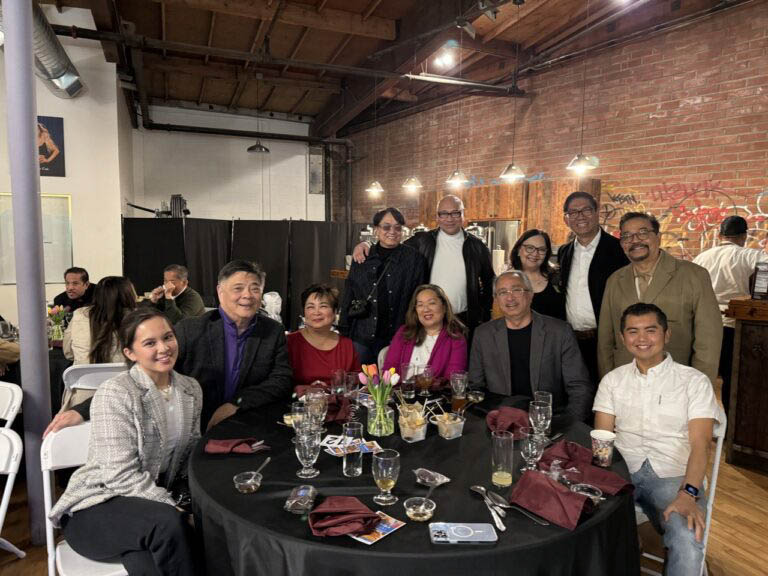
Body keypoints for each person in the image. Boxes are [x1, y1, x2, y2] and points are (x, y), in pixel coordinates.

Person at [47, 259, 293, 435]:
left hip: (251, 426)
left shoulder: (272, 331)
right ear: (220, 291)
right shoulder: (192, 329)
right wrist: (82, 410)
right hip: (195, 429)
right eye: (238, 288)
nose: (247, 295)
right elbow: (144, 375)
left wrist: (237, 404)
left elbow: (281, 380)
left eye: (255, 289)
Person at [49, 308, 201, 575]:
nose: (164, 348)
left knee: (154, 553)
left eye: (168, 337)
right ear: (130, 353)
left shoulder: (190, 389)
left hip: (148, 515)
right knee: (169, 525)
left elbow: (188, 457)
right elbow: (119, 476)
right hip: (97, 506)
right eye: (150, 343)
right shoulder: (116, 392)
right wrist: (174, 508)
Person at [593, 303, 720, 576]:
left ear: (666, 334)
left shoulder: (694, 381)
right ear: (623, 338)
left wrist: (689, 493)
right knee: (581, 520)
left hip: (674, 476)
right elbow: (603, 442)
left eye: (650, 330)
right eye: (633, 331)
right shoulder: (612, 381)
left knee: (687, 537)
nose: (642, 339)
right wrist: (599, 485)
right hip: (622, 473)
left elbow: (701, 445)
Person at [597, 212, 722, 384]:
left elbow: (708, 340)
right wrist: (608, 382)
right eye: (627, 236)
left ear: (658, 237)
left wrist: (700, 385)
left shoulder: (693, 275)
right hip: (626, 382)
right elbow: (605, 340)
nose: (635, 240)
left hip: (676, 382)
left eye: (642, 233)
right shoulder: (614, 280)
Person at [353, 195, 495, 340]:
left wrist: (484, 314)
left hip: (463, 320)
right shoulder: (422, 240)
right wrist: (367, 244)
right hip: (428, 320)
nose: (449, 218)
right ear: (437, 216)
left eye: (455, 213)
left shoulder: (477, 246)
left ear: (463, 214)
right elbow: (392, 246)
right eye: (444, 213)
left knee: (461, 355)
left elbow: (488, 281)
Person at [469, 270, 592, 423]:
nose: (510, 297)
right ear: (496, 299)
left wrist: (569, 425)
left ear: (530, 294)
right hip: (500, 420)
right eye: (502, 292)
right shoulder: (483, 334)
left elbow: (579, 386)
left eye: (516, 290)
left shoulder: (560, 332)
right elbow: (475, 387)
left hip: (549, 421)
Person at [693, 215, 768, 415]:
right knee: (731, 378)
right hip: (732, 326)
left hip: (703, 325)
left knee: (702, 376)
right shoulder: (750, 255)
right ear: (744, 236)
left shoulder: (702, 257)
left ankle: (700, 419)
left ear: (720, 235)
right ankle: (728, 423)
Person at [557, 192, 629, 385]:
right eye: (573, 212)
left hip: (605, 340)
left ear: (597, 212)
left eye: (586, 210)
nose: (580, 216)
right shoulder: (565, 252)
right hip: (571, 340)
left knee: (606, 390)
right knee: (575, 390)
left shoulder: (618, 249)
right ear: (566, 219)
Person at [340, 207, 428, 365]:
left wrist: (418, 329)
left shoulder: (414, 259)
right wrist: (343, 330)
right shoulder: (362, 257)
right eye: (386, 227)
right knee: (361, 378)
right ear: (376, 230)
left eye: (397, 227)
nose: (392, 231)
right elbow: (349, 294)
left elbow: (419, 297)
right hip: (362, 335)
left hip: (398, 336)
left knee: (394, 378)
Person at [383, 284, 467, 380]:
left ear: (444, 307)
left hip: (437, 390)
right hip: (401, 389)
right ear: (415, 310)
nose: (426, 309)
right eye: (420, 305)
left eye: (432, 303)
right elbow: (389, 371)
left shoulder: (456, 339)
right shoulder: (404, 332)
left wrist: (421, 383)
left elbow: (453, 379)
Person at [287, 284, 358, 388]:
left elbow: (355, 382)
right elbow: (279, 382)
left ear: (335, 312)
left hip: (337, 398)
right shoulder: (289, 342)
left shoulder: (346, 345)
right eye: (310, 307)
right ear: (304, 313)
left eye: (323, 306)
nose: (316, 312)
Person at [63, 276, 138, 366]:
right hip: (129, 373)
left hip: (85, 374)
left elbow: (68, 353)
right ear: (129, 295)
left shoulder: (79, 315)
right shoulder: (138, 318)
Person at [510, 229, 565, 320]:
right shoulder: (507, 281)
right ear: (519, 250)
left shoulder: (557, 278)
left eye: (541, 249)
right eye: (530, 248)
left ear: (546, 254)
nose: (535, 254)